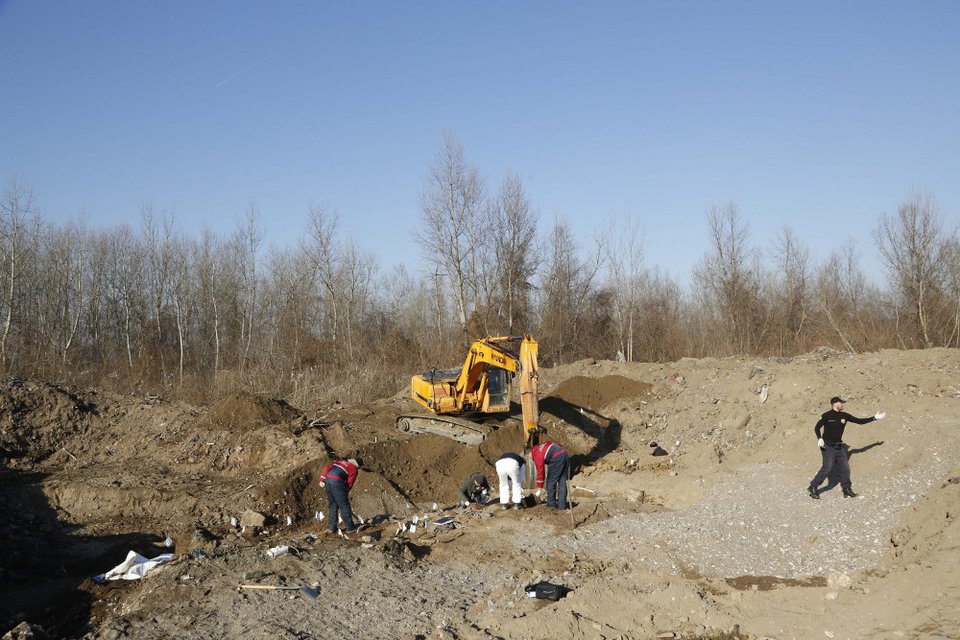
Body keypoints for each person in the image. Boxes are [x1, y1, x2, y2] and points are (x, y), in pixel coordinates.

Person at [808, 396, 885, 499]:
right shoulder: (826, 415)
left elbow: (859, 421)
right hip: (827, 446)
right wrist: (819, 438)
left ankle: (846, 489)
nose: (843, 405)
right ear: (835, 404)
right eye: (841, 403)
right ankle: (813, 486)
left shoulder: (845, 416)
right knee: (827, 468)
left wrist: (874, 418)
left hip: (839, 447)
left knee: (845, 468)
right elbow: (817, 428)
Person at [320, 457, 362, 536]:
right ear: (357, 466)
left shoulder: (341, 462)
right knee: (344, 505)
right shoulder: (354, 469)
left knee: (333, 505)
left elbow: (327, 468)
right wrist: (345, 491)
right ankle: (350, 528)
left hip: (328, 480)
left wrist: (322, 479)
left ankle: (331, 528)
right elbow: (350, 482)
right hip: (337, 482)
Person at [531, 440, 570, 510]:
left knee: (550, 482)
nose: (531, 458)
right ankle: (562, 506)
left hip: (556, 458)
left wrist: (539, 488)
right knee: (562, 482)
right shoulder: (542, 446)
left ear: (530, 453)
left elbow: (540, 471)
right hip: (565, 454)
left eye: (530, 457)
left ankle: (551, 505)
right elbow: (555, 443)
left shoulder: (537, 454)